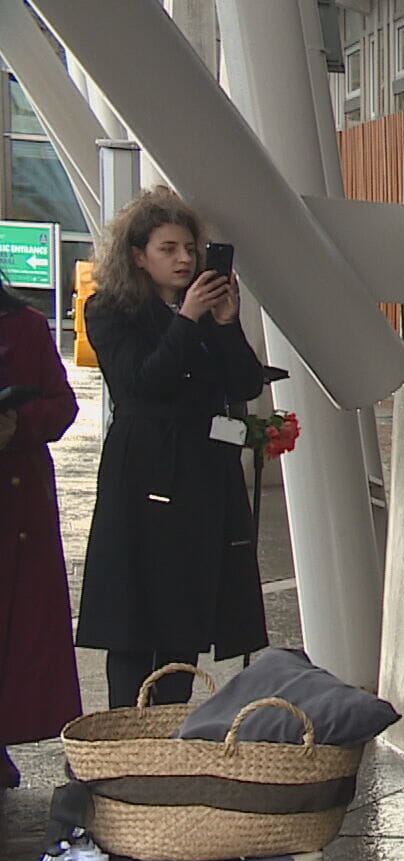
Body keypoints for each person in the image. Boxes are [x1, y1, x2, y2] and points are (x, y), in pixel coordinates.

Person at [75, 187, 268, 708]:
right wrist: (185, 321)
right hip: (143, 469)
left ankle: (172, 727)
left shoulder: (208, 311)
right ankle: (127, 731)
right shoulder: (111, 310)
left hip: (202, 471)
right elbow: (139, 384)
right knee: (134, 614)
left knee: (186, 608)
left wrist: (226, 325)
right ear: (138, 256)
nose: (184, 259)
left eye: (189, 248)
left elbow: (245, 383)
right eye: (168, 249)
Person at [0, 274, 82, 786]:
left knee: (16, 631)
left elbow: (62, 404)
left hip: (16, 505)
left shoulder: (26, 327)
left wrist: (17, 424)